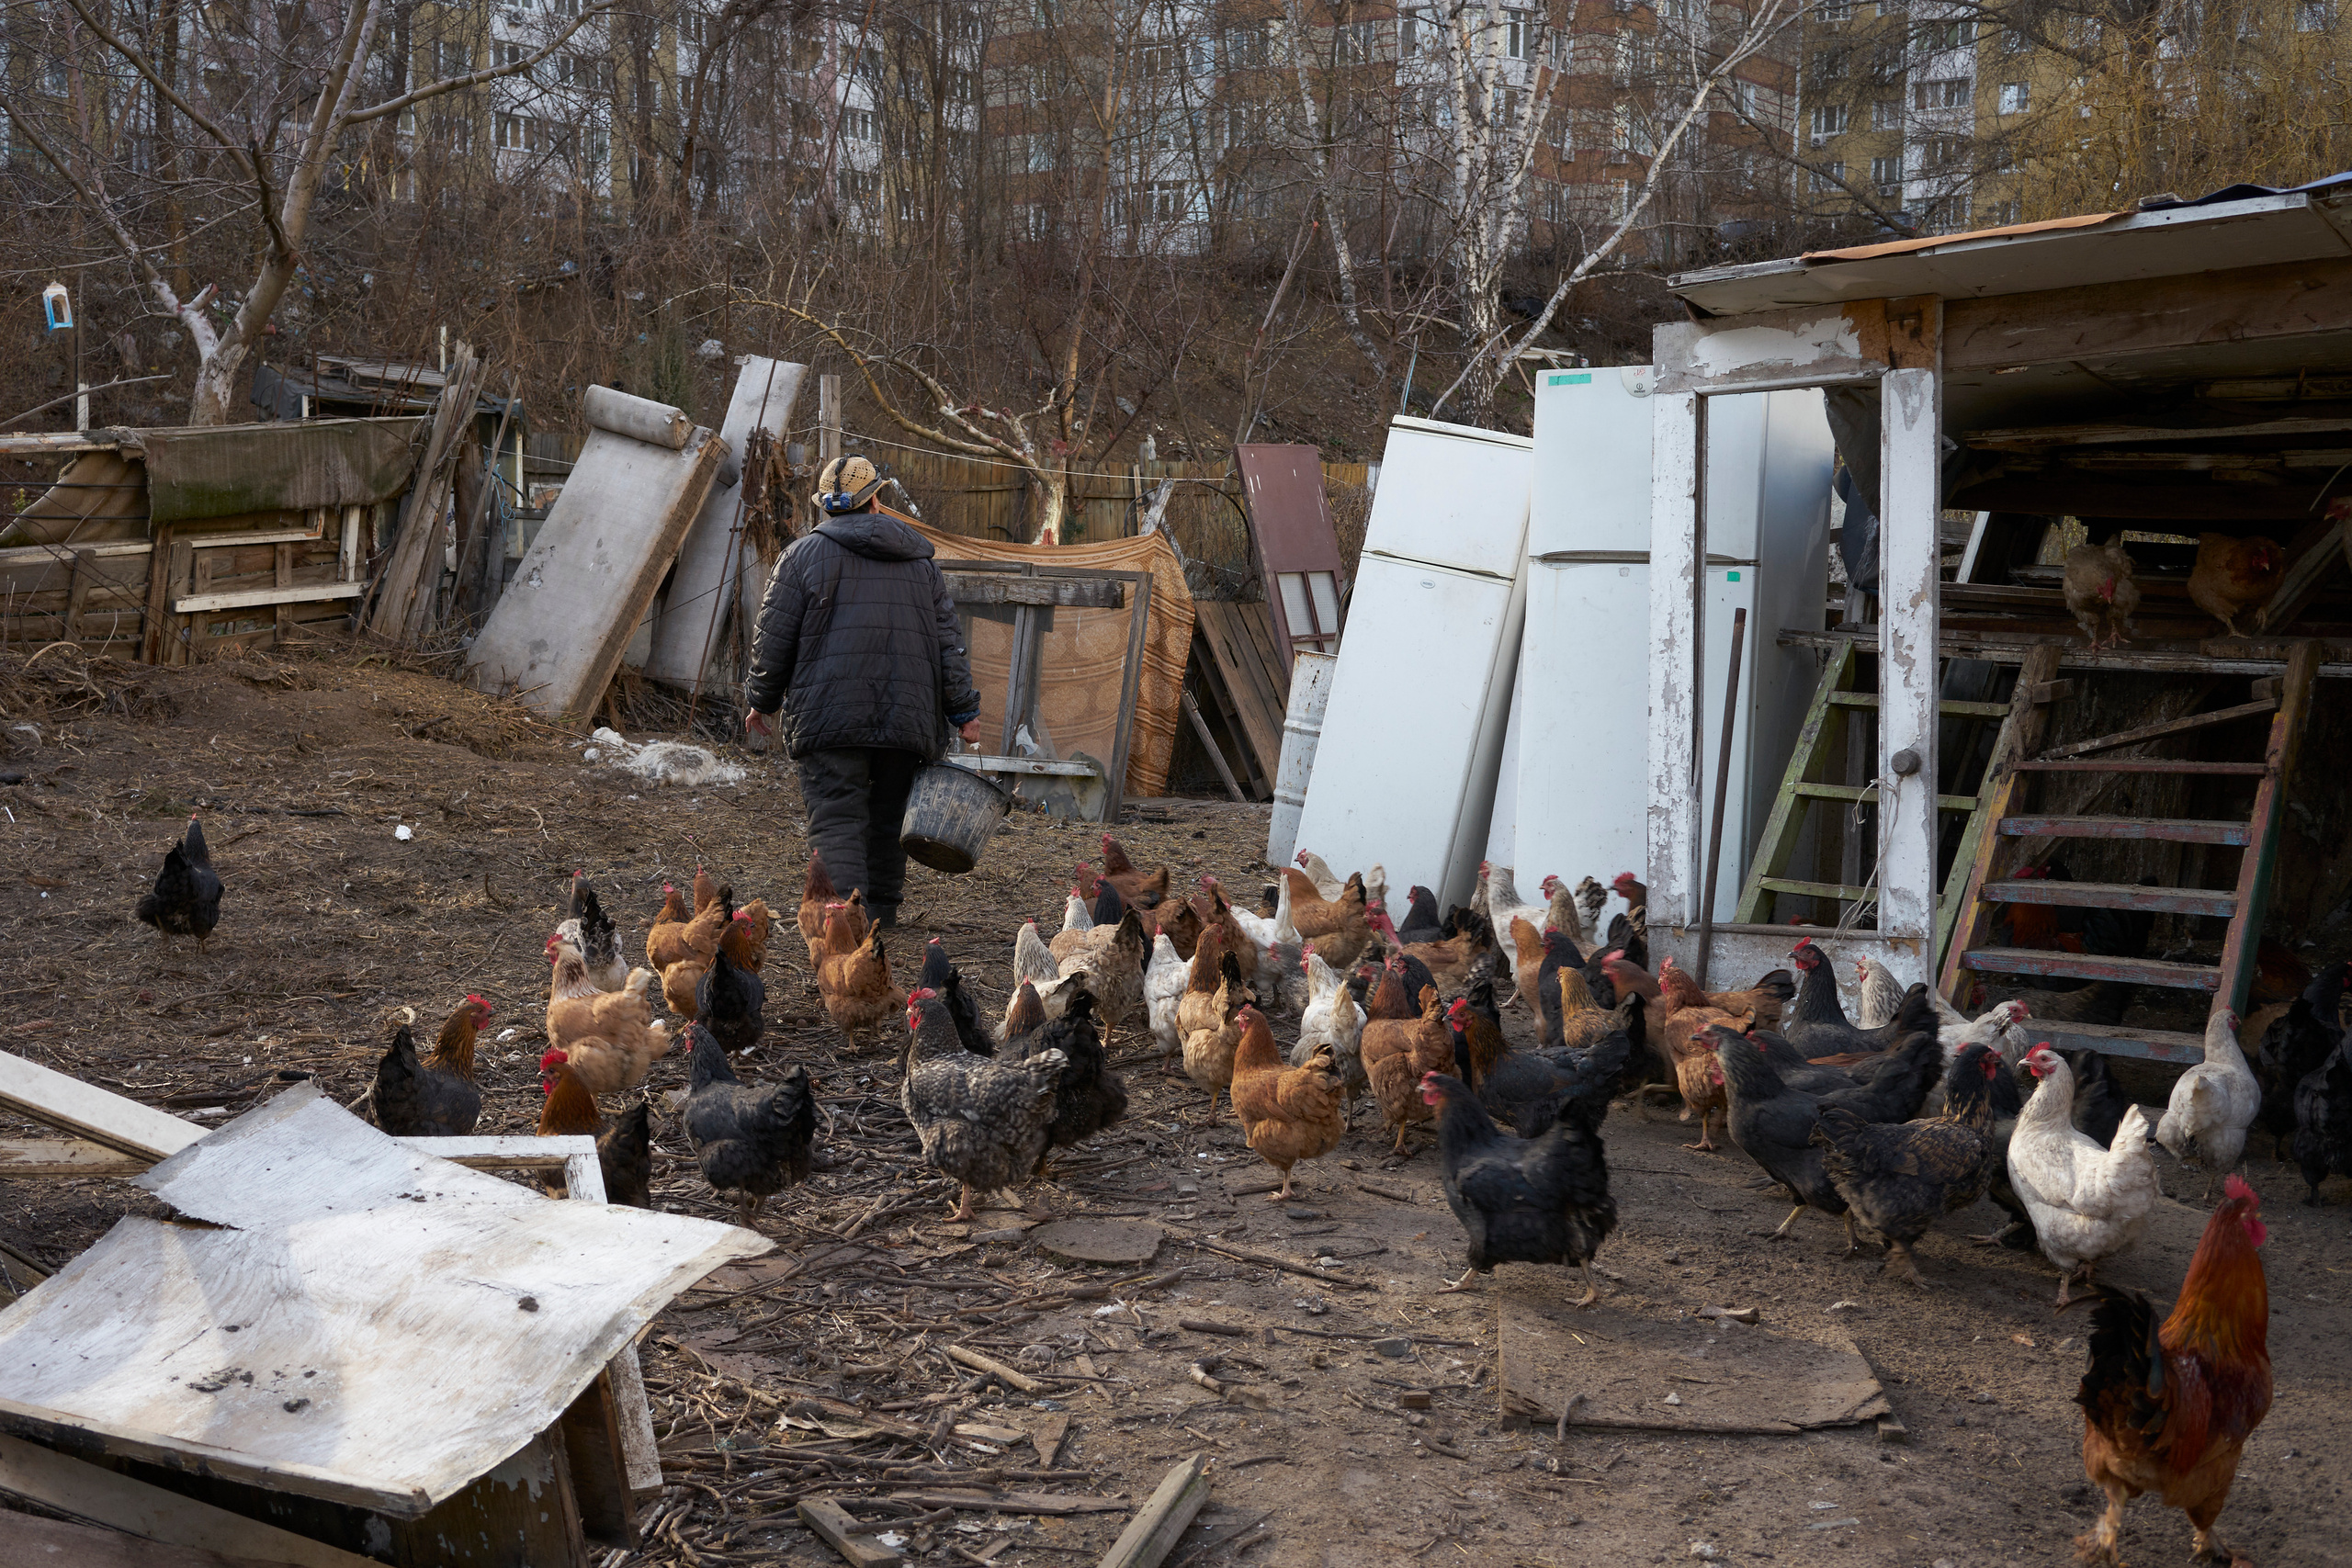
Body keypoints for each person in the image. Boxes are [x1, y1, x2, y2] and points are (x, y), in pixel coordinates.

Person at [745, 456, 981, 930]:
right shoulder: (921, 564)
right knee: (890, 818)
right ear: (877, 498)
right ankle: (880, 924)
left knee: (836, 819)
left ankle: (845, 930)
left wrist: (761, 700)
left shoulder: (801, 558)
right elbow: (948, 644)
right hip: (907, 722)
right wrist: (964, 712)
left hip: (828, 718)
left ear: (826, 507)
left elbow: (773, 638)